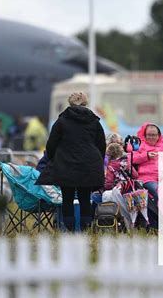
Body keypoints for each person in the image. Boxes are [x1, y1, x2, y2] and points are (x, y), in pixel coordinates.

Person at [36, 92, 106, 232]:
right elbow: (101, 144)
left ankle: (70, 230)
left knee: (67, 198)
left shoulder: (61, 121)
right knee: (85, 198)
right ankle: (85, 230)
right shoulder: (94, 121)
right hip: (88, 165)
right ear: (85, 103)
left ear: (70, 103)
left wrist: (53, 158)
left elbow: (51, 144)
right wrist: (96, 160)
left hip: (65, 164)